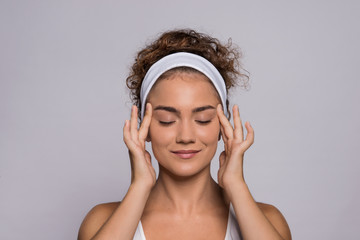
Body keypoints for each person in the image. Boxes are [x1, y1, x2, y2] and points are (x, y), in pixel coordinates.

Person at [78, 29, 291, 240]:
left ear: (222, 126)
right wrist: (139, 186)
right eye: (167, 120)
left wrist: (236, 185)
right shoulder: (101, 221)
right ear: (145, 127)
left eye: (203, 119)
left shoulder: (268, 221)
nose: (186, 136)